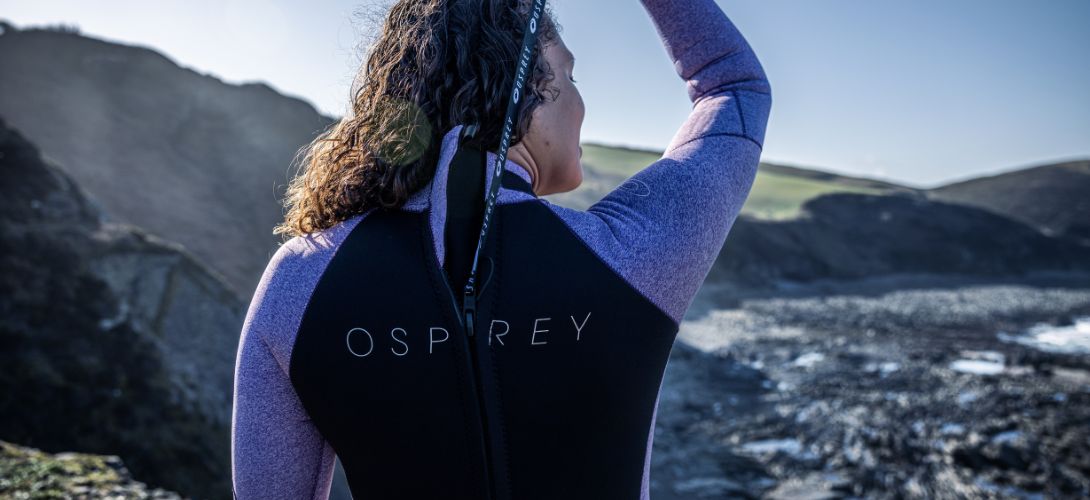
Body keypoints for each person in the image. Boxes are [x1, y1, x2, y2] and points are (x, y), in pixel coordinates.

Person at [231, 0, 771, 498]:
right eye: (569, 74)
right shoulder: (633, 255)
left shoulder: (300, 280)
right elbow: (734, 86)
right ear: (525, 87)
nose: (582, 101)